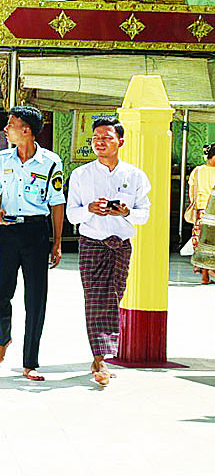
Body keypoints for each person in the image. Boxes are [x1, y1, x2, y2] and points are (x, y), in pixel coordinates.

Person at [67, 118, 151, 387]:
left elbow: (144, 215)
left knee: (114, 297)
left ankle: (100, 356)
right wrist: (89, 209)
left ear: (120, 141)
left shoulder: (135, 175)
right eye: (95, 138)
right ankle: (100, 359)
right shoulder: (81, 175)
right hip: (92, 242)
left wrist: (126, 212)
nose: (99, 142)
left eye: (106, 137)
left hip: (121, 245)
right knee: (94, 299)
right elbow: (72, 214)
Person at [0, 105, 66, 382]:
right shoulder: (2, 159)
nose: (6, 129)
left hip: (35, 233)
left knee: (35, 299)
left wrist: (57, 242)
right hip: (6, 232)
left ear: (26, 130)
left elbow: (57, 202)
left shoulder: (50, 162)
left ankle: (30, 362)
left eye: (11, 124)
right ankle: (3, 337)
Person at [187, 144, 215, 284]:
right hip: (211, 211)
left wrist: (195, 205)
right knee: (211, 244)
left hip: (201, 211)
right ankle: (209, 272)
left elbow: (191, 191)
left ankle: (205, 276)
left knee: (203, 242)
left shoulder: (197, 171)